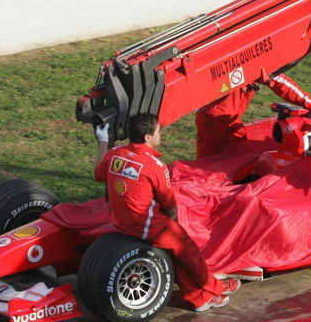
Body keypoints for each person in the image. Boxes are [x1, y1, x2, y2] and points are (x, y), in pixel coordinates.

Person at [94, 114, 240, 311]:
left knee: (175, 253)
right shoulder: (155, 167)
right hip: (147, 226)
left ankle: (200, 298)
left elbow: (97, 174)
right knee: (188, 250)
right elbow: (169, 204)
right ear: (147, 137)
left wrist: (103, 142)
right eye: (158, 131)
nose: (160, 134)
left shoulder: (114, 154)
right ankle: (216, 287)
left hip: (123, 221)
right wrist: (175, 225)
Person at [194, 71, 311, 158]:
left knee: (240, 158)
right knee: (207, 167)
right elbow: (279, 81)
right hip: (215, 121)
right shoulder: (254, 62)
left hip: (227, 119)